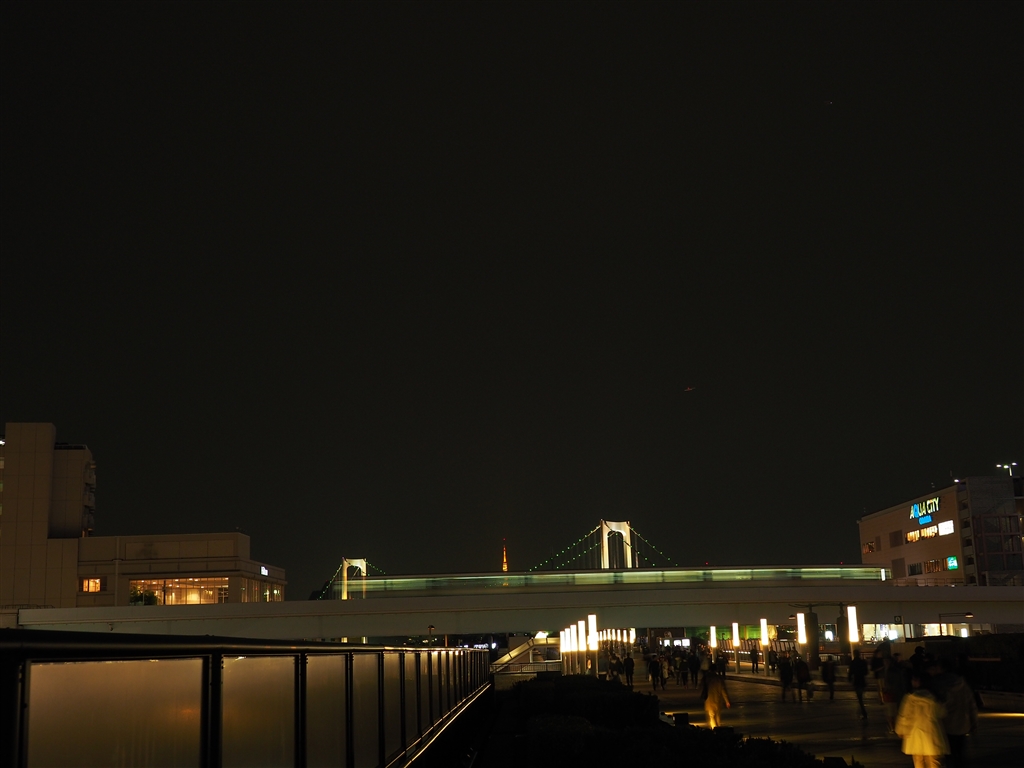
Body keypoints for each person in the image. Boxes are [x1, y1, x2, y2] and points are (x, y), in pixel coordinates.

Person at [895, 675, 949, 768]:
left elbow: (905, 716)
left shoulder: (910, 698)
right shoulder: (935, 697)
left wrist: (901, 730)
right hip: (932, 732)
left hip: (915, 734)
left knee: (919, 760)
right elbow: (942, 713)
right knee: (934, 761)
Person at [939, 659, 978, 768]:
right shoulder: (963, 684)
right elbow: (972, 705)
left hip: (946, 724)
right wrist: (974, 722)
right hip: (962, 723)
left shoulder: (940, 684)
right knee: (960, 752)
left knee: (948, 753)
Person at [882, 654, 907, 733]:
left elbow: (891, 683)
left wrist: (887, 689)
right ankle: (895, 727)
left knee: (890, 711)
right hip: (897, 692)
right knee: (895, 710)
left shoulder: (890, 671)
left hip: (891, 693)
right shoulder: (897, 669)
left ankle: (892, 727)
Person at [848, 649, 869, 719]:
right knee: (861, 696)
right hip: (862, 680)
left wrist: (849, 679)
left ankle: (863, 712)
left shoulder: (853, 662)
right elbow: (866, 672)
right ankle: (862, 711)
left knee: (860, 698)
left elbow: (850, 672)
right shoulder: (863, 662)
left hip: (856, 681)